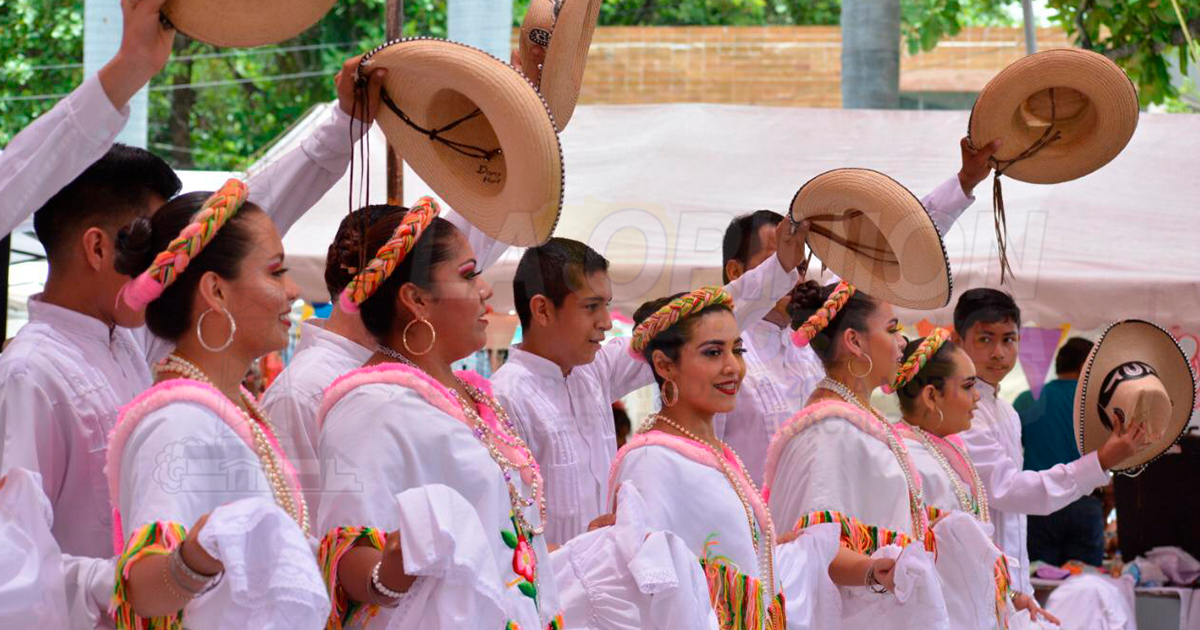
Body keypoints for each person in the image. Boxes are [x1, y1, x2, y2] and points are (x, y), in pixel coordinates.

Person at [0, 52, 386, 558]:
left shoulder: (128, 341)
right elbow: (17, 563)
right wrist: (158, 578)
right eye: (151, 245)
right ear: (97, 248)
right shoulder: (29, 373)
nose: (170, 264)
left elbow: (249, 215)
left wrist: (341, 126)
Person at [315, 198, 564, 629]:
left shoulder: (470, 397)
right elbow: (348, 561)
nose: (486, 290)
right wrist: (392, 569)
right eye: (468, 275)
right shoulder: (371, 408)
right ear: (416, 300)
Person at [493, 220, 809, 546]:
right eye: (591, 307)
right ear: (543, 310)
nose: (605, 323)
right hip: (555, 587)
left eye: (607, 306)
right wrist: (584, 548)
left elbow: (696, 323)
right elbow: (500, 535)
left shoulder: (594, 370)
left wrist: (780, 269)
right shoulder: (506, 397)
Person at [714, 137, 1000, 484]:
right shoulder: (715, 352)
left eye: (798, 265)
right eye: (777, 263)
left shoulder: (815, 332)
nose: (791, 275)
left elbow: (887, 249)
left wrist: (963, 183)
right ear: (735, 273)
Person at [106, 182, 327, 627]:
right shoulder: (179, 422)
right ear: (216, 291)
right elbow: (144, 589)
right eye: (276, 271)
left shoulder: (231, 408)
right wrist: (197, 555)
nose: (294, 290)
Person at [609, 287, 894, 629]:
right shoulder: (651, 462)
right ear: (665, 365)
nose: (733, 367)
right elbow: (653, 597)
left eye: (737, 350)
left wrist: (861, 569)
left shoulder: (714, 455)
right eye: (713, 352)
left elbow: (743, 574)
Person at [261, 201, 507, 509]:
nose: (484, 290)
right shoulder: (304, 389)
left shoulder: (411, 373)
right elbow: (310, 526)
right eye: (468, 276)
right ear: (409, 295)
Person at [763, 282, 953, 629]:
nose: (902, 342)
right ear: (855, 341)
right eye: (892, 328)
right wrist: (876, 572)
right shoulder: (828, 430)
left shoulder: (857, 422)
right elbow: (813, 547)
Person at [954, 289, 1147, 610]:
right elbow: (1005, 488)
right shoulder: (964, 408)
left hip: (1028, 535)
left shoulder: (1014, 407)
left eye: (1009, 339)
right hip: (996, 553)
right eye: (985, 339)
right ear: (957, 340)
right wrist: (1100, 462)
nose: (999, 352)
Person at [891, 328, 1037, 629]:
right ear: (932, 396)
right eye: (968, 386)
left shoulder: (944, 451)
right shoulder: (914, 462)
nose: (976, 399)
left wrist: (1007, 596)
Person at [1016, 337, 1108, 568]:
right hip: (1085, 503)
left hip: (1038, 504)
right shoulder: (1099, 403)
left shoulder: (1027, 400)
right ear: (1085, 366)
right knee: (1083, 587)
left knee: (1037, 585)